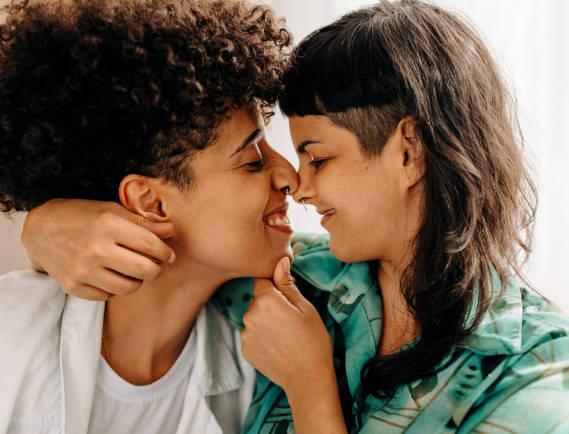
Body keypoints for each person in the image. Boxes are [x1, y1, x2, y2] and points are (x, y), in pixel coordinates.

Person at [19, 0, 569, 432]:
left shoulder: (537, 377)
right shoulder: (291, 287)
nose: (296, 184)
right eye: (258, 157)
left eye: (319, 157)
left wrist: (310, 389)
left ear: (410, 151)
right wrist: (41, 225)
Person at [0, 0, 304, 432]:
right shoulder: (7, 337)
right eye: (253, 160)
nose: (291, 176)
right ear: (150, 203)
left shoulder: (266, 351)